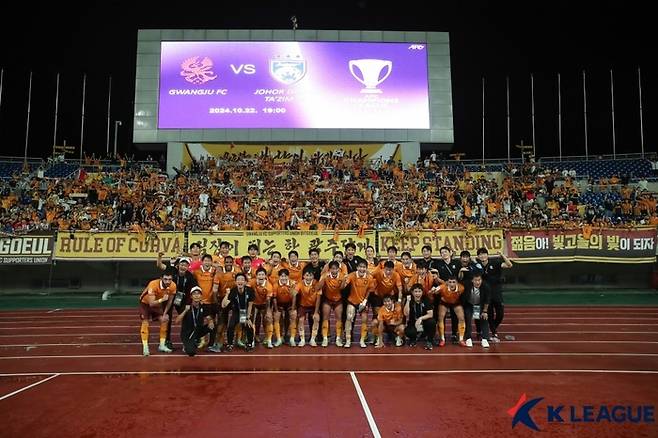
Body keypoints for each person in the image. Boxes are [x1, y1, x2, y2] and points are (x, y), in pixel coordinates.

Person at [477, 247, 513, 342]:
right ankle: (494, 332)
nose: (482, 256)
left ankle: (493, 328)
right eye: (480, 254)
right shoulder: (478, 266)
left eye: (484, 254)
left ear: (487, 255)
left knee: (500, 314)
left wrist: (502, 255)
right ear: (478, 256)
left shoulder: (495, 263)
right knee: (489, 314)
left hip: (496, 293)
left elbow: (509, 265)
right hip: (485, 295)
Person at [139, 271, 177, 356]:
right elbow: (151, 303)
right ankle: (145, 347)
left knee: (165, 319)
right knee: (145, 322)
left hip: (158, 305)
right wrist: (162, 300)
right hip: (145, 304)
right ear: (161, 279)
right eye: (165, 279)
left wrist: (165, 313)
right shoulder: (153, 284)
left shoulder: (173, 286)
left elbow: (170, 302)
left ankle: (162, 345)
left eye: (170, 279)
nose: (168, 281)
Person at [341, 260, 376, 348]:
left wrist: (365, 301)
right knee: (349, 317)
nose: (362, 269)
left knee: (364, 319)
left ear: (366, 268)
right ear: (357, 268)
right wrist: (344, 281)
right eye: (360, 267)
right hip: (352, 301)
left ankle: (362, 340)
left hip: (362, 302)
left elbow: (369, 290)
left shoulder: (369, 278)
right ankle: (348, 340)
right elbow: (343, 286)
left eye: (364, 267)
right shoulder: (352, 275)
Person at [176, 286, 214, 356]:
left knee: (213, 326)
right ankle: (187, 344)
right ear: (191, 296)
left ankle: (211, 345)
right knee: (191, 352)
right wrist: (185, 311)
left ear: (201, 296)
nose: (196, 295)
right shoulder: (186, 306)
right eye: (194, 294)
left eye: (198, 294)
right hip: (187, 333)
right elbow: (177, 321)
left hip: (198, 330)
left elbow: (208, 317)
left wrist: (210, 321)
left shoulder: (203, 306)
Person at [221, 273, 255, 352]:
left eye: (242, 280)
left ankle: (249, 344)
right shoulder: (233, 291)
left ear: (245, 282)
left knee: (249, 326)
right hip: (236, 311)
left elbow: (250, 305)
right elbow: (223, 305)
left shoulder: (250, 291)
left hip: (245, 312)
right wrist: (227, 294)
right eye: (238, 280)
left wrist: (247, 318)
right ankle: (230, 344)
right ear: (235, 282)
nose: (240, 281)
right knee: (231, 326)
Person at [316, 261, 345, 347]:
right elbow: (317, 287)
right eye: (332, 269)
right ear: (329, 269)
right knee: (325, 318)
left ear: (338, 269)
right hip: (327, 299)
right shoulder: (325, 276)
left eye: (336, 269)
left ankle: (338, 338)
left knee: (339, 318)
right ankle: (325, 338)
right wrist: (323, 279)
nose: (334, 270)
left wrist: (343, 281)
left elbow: (342, 288)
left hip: (338, 300)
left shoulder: (342, 277)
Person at [461, 273, 490, 348]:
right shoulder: (466, 285)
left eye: (479, 280)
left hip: (479, 305)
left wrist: (485, 311)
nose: (478, 282)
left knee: (483, 318)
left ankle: (485, 338)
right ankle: (468, 338)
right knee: (468, 318)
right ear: (472, 280)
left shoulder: (485, 286)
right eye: (476, 280)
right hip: (468, 304)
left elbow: (487, 300)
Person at [435, 276, 466, 347]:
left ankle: (461, 339)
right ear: (447, 283)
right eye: (450, 282)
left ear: (457, 283)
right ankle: (442, 339)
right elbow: (431, 292)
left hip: (456, 302)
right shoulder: (442, 287)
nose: (452, 284)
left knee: (461, 317)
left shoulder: (461, 288)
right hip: (444, 302)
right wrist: (434, 291)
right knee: (440, 318)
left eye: (453, 282)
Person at [404, 283, 436, 350]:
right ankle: (413, 339)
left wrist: (420, 318)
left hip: (424, 322)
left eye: (419, 291)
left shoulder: (426, 299)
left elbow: (430, 314)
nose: (417, 294)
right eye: (415, 291)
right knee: (408, 331)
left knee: (432, 322)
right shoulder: (409, 300)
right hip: (413, 323)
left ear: (422, 292)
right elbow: (406, 313)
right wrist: (407, 301)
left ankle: (429, 341)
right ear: (412, 292)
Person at [271, 269, 298, 346]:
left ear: (288, 277)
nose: (283, 278)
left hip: (289, 303)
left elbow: (294, 297)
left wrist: (293, 309)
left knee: (293, 316)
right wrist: (276, 310)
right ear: (279, 277)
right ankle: (279, 338)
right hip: (279, 303)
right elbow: (274, 298)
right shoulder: (275, 284)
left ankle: (291, 338)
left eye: (285, 276)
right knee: (277, 317)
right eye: (282, 276)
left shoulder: (292, 284)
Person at [296, 267, 321, 347]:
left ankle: (313, 339)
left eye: (310, 276)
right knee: (300, 320)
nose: (309, 277)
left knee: (316, 318)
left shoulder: (317, 284)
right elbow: (294, 294)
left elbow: (318, 298)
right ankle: (302, 339)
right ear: (303, 276)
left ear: (313, 277)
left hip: (313, 306)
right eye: (307, 275)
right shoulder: (300, 283)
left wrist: (316, 312)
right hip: (303, 306)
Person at [250, 267, 274, 347]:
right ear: (256, 276)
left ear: (265, 276)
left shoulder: (269, 286)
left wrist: (268, 311)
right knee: (252, 321)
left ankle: (268, 339)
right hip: (254, 304)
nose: (261, 276)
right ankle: (252, 339)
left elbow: (268, 301)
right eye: (259, 275)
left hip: (264, 304)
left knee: (267, 319)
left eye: (262, 275)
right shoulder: (252, 282)